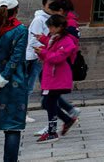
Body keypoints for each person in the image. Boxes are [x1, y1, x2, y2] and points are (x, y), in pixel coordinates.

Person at [0, 0, 31, 161]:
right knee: (12, 128)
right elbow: (15, 59)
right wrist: (1, 81)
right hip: (13, 82)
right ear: (16, 10)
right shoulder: (21, 30)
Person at [34, 14, 79, 142]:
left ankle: (52, 131)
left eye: (51, 27)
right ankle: (64, 122)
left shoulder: (67, 41)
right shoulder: (56, 38)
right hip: (51, 76)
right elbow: (50, 51)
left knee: (49, 102)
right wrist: (41, 50)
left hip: (57, 77)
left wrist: (43, 52)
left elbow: (57, 57)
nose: (49, 30)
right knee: (48, 102)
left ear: (59, 27)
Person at [26, 0, 58, 92]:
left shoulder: (54, 19)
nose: (52, 7)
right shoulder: (39, 20)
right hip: (36, 57)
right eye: (50, 5)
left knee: (48, 86)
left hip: (47, 56)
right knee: (29, 86)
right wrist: (41, 54)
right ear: (44, 6)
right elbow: (34, 40)